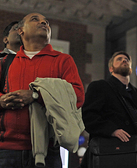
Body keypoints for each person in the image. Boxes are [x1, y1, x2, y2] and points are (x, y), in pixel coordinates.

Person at [0, 12, 85, 168]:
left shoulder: (63, 60)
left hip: (49, 151)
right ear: (21, 31)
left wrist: (36, 95)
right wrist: (1, 101)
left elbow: (78, 95)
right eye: (35, 19)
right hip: (6, 150)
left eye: (46, 22)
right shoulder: (5, 62)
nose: (43, 23)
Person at [82, 51, 137, 168]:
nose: (124, 60)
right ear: (111, 69)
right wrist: (112, 130)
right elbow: (88, 117)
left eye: (127, 59)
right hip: (114, 155)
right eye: (119, 59)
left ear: (131, 69)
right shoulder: (100, 87)